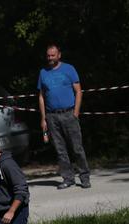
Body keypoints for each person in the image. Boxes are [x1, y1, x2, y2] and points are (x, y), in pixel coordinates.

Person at [38, 44, 90, 190]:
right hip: (52, 116)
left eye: (52, 55)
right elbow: (41, 96)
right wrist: (43, 118)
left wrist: (76, 113)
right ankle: (68, 178)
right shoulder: (43, 73)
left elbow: (78, 91)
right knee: (60, 150)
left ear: (59, 55)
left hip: (69, 113)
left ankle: (84, 177)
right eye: (48, 55)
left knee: (77, 148)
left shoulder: (69, 69)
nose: (50, 58)